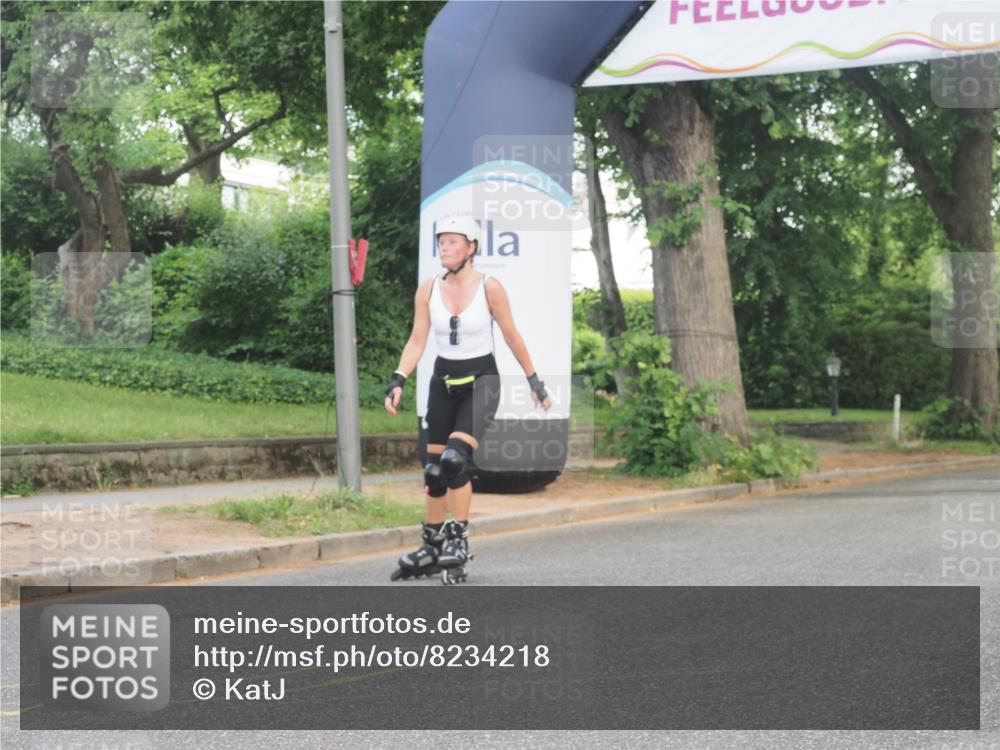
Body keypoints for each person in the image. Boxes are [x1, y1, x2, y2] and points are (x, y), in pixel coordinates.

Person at [384, 216, 552, 583]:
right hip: (442, 381)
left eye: (453, 242)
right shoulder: (427, 289)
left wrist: (534, 380)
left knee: (455, 461)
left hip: (482, 382)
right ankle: (431, 545)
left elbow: (511, 334)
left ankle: (457, 541)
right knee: (433, 471)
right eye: (441, 242)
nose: (444, 247)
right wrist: (398, 379)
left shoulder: (490, 288)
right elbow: (417, 339)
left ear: (471, 248)